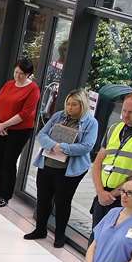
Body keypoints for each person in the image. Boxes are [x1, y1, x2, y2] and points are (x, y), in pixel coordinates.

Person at [64, 90, 132, 258]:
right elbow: (98, 162)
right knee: (96, 236)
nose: (125, 115)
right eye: (124, 110)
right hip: (103, 194)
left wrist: (114, 194)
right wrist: (100, 191)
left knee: (115, 244)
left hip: (126, 197)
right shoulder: (114, 128)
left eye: (131, 112)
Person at [26, 92, 99, 245]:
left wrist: (64, 148)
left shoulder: (91, 123)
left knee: (62, 202)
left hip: (69, 171)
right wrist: (53, 145)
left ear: (82, 105)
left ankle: (60, 235)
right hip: (48, 164)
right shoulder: (58, 116)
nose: (69, 107)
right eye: (68, 104)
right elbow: (42, 134)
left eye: (74, 104)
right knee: (43, 199)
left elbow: (87, 146)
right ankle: (40, 229)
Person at [0, 58, 40, 206]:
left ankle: (6, 195)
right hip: (0, 127)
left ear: (28, 74)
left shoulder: (33, 89)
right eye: (16, 72)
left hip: (19, 131)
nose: (17, 76)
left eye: (21, 73)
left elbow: (25, 113)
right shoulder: (9, 84)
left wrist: (4, 125)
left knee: (9, 161)